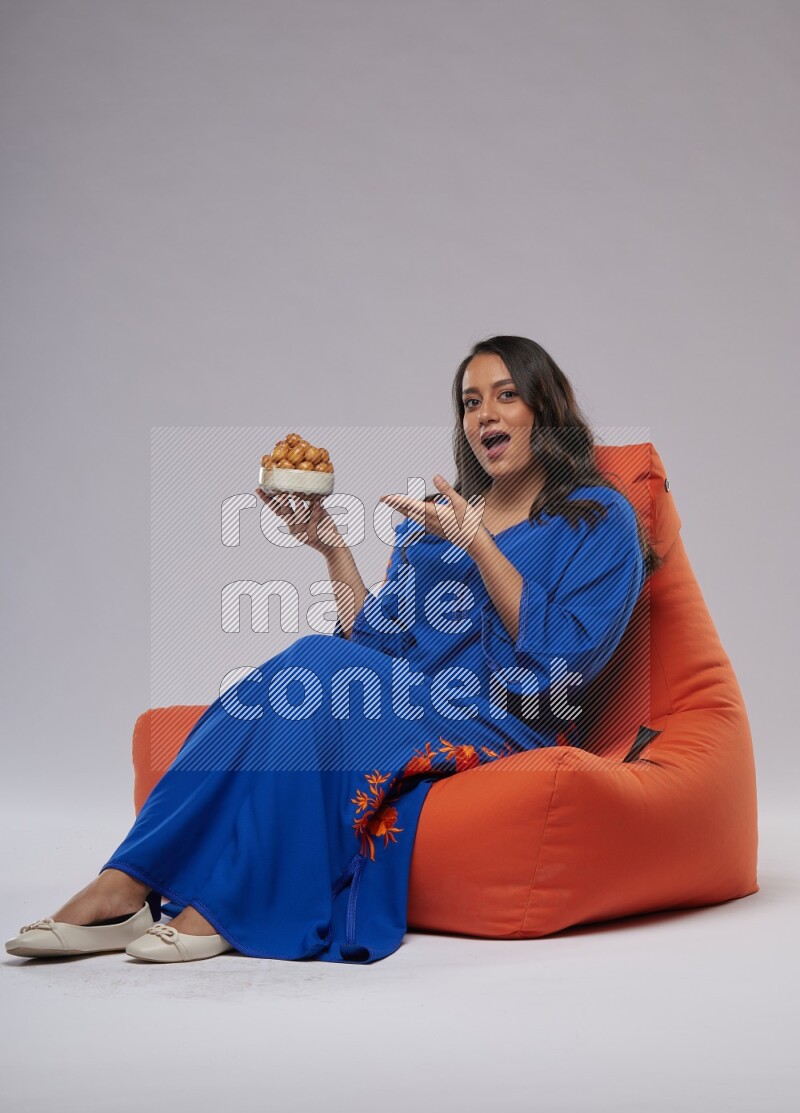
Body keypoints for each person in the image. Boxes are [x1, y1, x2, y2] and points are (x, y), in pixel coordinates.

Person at [5, 335, 662, 966]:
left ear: (544, 406)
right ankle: (124, 883)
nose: (484, 414)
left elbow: (565, 661)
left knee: (318, 661)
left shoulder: (596, 517)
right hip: (412, 700)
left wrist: (479, 544)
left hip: (504, 719)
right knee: (281, 682)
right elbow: (375, 641)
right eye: (470, 402)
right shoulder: (437, 519)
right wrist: (332, 547)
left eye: (505, 395)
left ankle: (235, 903)